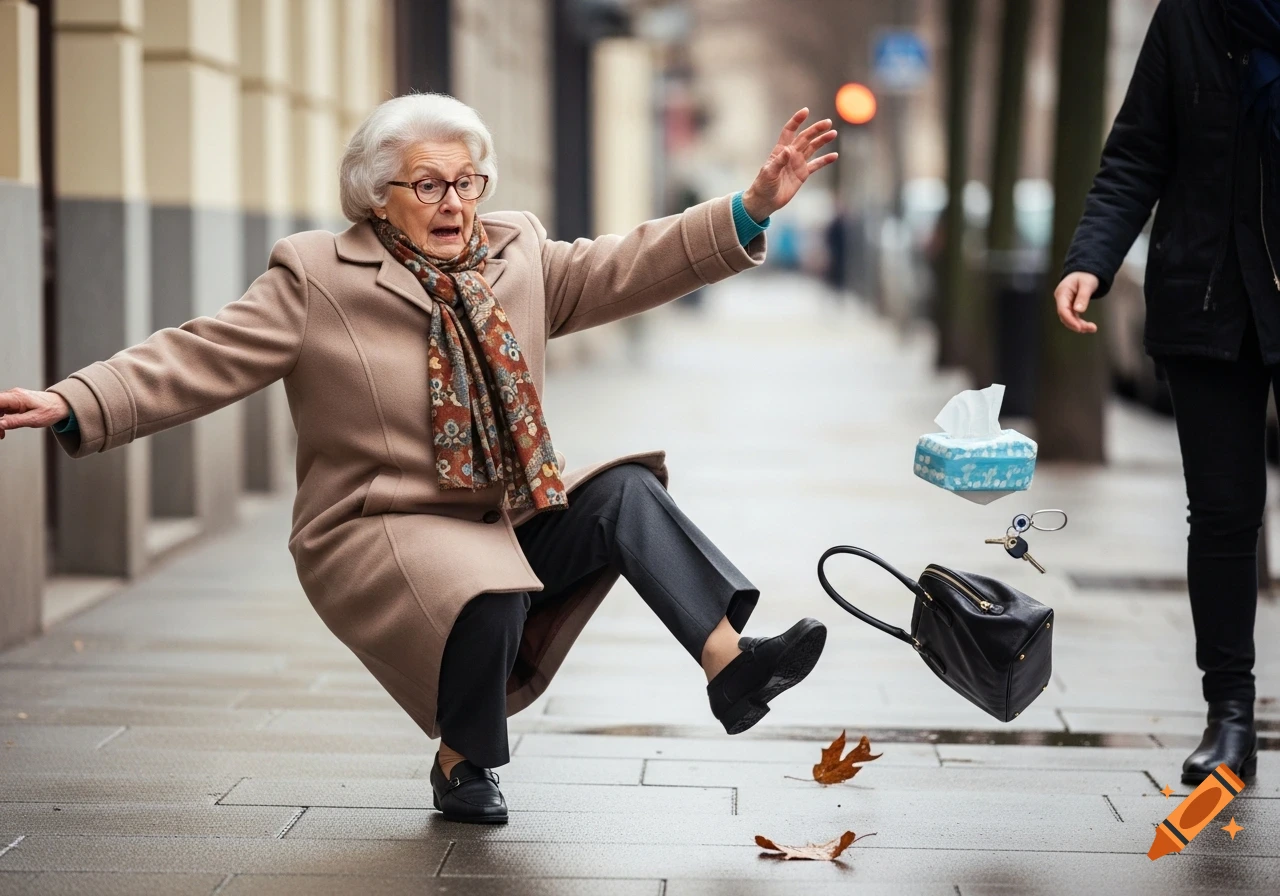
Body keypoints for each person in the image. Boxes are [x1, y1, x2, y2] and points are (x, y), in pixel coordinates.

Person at [0, 94, 839, 823]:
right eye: (429, 185)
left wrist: (749, 209)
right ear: (377, 197)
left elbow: (625, 263)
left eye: (466, 181)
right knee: (481, 578)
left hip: (498, 512)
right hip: (380, 523)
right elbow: (199, 354)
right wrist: (78, 399)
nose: (454, 203)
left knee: (623, 491)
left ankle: (729, 665)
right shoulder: (317, 277)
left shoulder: (515, 255)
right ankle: (463, 761)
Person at [1055, 0, 1278, 785]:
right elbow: (1138, 150)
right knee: (1223, 514)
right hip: (1207, 294)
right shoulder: (1188, 15)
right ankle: (1230, 718)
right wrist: (1093, 258)